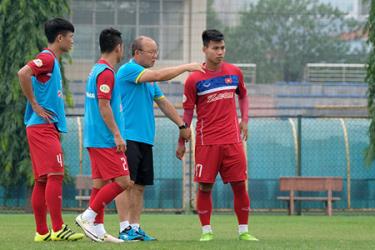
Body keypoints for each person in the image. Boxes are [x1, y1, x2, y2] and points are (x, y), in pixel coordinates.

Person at [114, 36, 204, 241]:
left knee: (139, 185)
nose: (156, 55)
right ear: (137, 53)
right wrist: (186, 67)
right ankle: (124, 228)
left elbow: (163, 102)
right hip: (128, 136)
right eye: (151, 52)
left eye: (156, 51)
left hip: (145, 138)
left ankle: (135, 228)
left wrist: (182, 125)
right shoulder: (128, 70)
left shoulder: (148, 80)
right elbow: (159, 75)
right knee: (126, 183)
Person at [175, 29, 258, 242]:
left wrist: (244, 119)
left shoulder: (234, 72)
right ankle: (206, 231)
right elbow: (187, 113)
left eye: (222, 48)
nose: (220, 52)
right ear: (205, 49)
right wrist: (181, 140)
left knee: (240, 184)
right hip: (206, 142)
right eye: (215, 48)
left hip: (232, 140)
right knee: (204, 186)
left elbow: (244, 96)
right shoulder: (193, 79)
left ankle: (244, 231)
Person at [17, 18, 84, 242]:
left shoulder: (52, 61)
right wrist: (35, 104)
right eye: (70, 37)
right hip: (42, 127)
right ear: (60, 38)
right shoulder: (46, 57)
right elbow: (23, 73)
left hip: (40, 127)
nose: (72, 41)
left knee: (42, 180)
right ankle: (58, 228)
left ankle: (42, 232)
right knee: (55, 174)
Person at [75, 28, 132, 243]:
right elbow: (104, 104)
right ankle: (87, 217)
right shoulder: (107, 72)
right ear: (118, 47)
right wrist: (117, 135)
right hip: (105, 138)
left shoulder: (96, 70)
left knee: (99, 184)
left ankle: (98, 229)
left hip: (94, 136)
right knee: (124, 182)